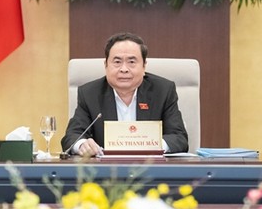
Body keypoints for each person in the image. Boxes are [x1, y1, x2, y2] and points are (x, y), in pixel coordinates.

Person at [61, 32, 189, 157]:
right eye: (117, 62)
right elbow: (72, 136)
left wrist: (153, 146)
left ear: (144, 66)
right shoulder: (89, 94)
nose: (124, 69)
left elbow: (179, 137)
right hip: (105, 172)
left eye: (132, 62)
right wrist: (82, 145)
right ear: (106, 65)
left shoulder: (163, 91)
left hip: (151, 169)